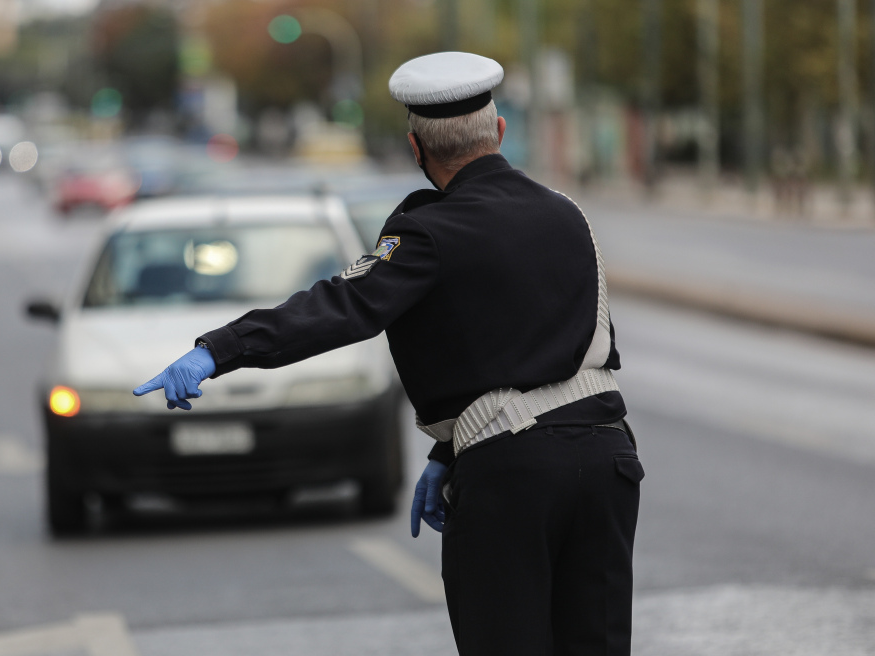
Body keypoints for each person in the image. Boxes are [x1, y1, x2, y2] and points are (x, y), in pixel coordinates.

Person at [134, 51, 643, 655]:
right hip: (608, 460)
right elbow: (548, 345)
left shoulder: (429, 233)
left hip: (514, 478)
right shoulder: (568, 215)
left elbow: (340, 307)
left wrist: (218, 351)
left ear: (416, 148)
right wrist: (452, 448)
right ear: (499, 131)